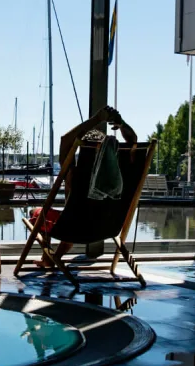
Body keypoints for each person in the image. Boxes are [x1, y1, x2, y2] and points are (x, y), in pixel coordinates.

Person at [31, 106, 135, 269]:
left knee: (37, 213)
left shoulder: (75, 173)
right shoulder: (121, 172)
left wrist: (96, 119)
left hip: (76, 227)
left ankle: (49, 258)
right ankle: (55, 257)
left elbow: (65, 140)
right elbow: (133, 140)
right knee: (73, 218)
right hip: (108, 228)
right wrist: (120, 123)